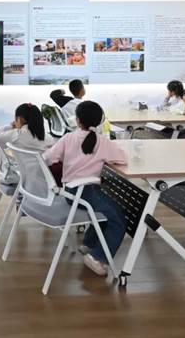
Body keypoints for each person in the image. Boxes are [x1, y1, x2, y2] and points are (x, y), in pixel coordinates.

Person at [42, 101, 127, 277]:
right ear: (100, 121)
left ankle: (89, 244)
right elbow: (122, 159)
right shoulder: (102, 142)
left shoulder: (68, 138)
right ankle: (97, 257)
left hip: (69, 194)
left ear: (77, 120)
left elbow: (47, 158)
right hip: (86, 194)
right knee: (118, 219)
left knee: (104, 212)